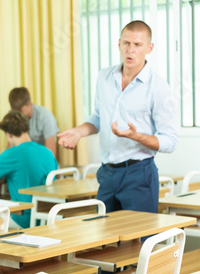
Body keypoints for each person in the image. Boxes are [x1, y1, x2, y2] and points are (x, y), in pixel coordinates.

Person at [57, 20, 177, 214]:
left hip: (139, 173)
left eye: (137, 45)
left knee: (140, 240)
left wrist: (136, 136)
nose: (131, 50)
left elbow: (170, 141)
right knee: (105, 241)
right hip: (107, 173)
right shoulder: (104, 77)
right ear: (119, 43)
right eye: (126, 43)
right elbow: (98, 117)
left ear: (149, 48)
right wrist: (79, 132)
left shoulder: (158, 87)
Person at [0, 112, 58, 228]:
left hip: (24, 219)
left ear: (9, 134)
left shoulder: (12, 153)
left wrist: (2, 179)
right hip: (48, 217)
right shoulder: (47, 152)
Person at [9, 87, 59, 157]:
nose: (18, 115)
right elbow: (11, 147)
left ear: (30, 105)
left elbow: (50, 154)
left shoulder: (45, 117)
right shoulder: (12, 116)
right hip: (23, 158)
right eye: (15, 112)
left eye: (21, 111)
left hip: (42, 157)